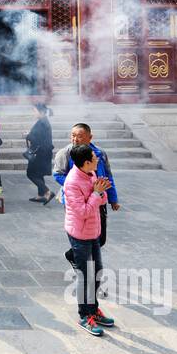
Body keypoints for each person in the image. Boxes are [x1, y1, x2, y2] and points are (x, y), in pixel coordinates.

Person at [62, 144, 114, 336]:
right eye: (94, 157)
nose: (97, 159)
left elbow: (101, 200)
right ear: (85, 162)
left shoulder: (90, 174)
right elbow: (83, 212)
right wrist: (96, 193)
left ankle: (93, 310)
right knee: (85, 276)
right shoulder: (72, 182)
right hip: (80, 234)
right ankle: (85, 315)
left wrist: (100, 191)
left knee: (98, 272)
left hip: (93, 231)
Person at [53, 123, 121, 248]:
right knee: (80, 233)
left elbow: (108, 176)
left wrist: (113, 199)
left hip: (98, 196)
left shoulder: (99, 154)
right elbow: (58, 174)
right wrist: (81, 187)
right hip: (77, 198)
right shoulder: (65, 153)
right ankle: (79, 257)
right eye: (73, 136)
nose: (75, 139)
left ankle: (85, 257)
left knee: (100, 237)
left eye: (79, 136)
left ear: (90, 137)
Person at [26, 102, 55, 204]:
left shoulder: (42, 123)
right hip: (44, 152)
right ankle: (41, 195)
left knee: (31, 174)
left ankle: (47, 192)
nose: (33, 113)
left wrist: (28, 135)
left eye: (34, 111)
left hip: (40, 153)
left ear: (41, 112)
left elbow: (37, 139)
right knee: (39, 174)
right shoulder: (43, 121)